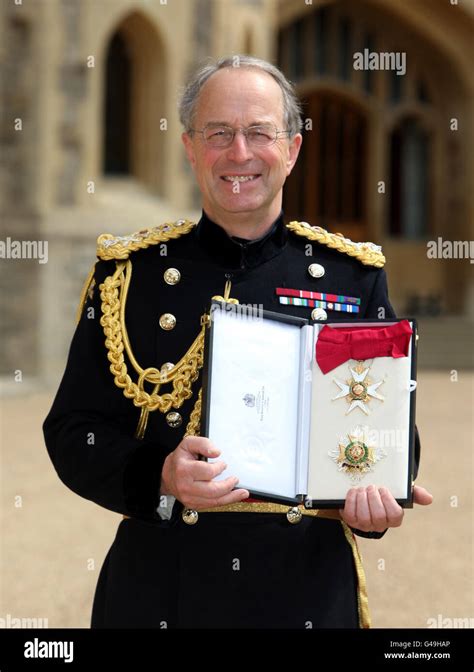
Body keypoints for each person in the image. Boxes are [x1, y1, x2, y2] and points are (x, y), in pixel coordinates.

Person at [43, 55, 432, 629]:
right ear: (189, 148)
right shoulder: (131, 274)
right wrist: (162, 475)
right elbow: (75, 431)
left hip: (304, 594)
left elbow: (388, 431)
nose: (240, 154)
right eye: (218, 134)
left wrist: (373, 502)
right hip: (161, 591)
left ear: (293, 149)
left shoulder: (353, 277)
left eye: (259, 133)